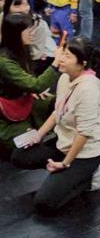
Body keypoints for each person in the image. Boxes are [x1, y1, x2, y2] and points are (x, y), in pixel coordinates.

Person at [11, 37, 100, 212]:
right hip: (63, 143)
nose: (61, 59)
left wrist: (64, 164)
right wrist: (38, 135)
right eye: (63, 53)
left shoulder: (88, 89)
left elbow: (83, 134)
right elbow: (57, 111)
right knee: (19, 156)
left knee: (44, 203)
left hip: (84, 154)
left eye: (67, 56)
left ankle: (92, 175)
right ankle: (68, 176)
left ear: (82, 64)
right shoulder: (65, 78)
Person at [0, 13, 59, 150]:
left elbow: (28, 81)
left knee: (59, 104)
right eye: (28, 30)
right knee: (28, 143)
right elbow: (36, 85)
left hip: (22, 98)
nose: (31, 33)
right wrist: (56, 64)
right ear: (15, 34)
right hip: (7, 112)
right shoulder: (4, 61)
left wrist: (29, 89)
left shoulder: (21, 50)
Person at [1, 0, 56, 75]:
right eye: (17, 5)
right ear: (8, 7)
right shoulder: (2, 18)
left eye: (26, 4)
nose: (23, 9)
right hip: (10, 54)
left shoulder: (38, 23)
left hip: (33, 57)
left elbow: (36, 53)